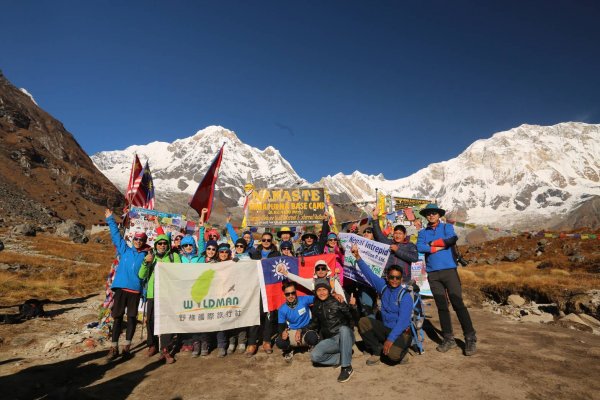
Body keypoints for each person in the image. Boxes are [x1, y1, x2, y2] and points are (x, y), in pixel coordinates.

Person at [416, 203, 476, 356]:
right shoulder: (422, 232)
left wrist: (432, 244)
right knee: (442, 307)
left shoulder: (446, 227)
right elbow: (420, 247)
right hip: (433, 274)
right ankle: (448, 338)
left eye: (434, 213)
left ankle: (470, 337)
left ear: (439, 215)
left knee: (458, 304)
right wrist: (437, 246)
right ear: (425, 216)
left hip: (449, 270)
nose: (431, 215)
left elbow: (452, 239)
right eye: (428, 213)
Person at [352, 245, 412, 366]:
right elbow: (369, 274)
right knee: (363, 322)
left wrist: (390, 340)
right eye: (391, 277)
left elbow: (402, 322)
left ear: (401, 279)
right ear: (387, 277)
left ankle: (403, 350)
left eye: (397, 278)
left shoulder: (405, 296)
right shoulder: (383, 286)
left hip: (399, 331)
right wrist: (358, 257)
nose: (394, 280)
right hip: (385, 327)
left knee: (393, 357)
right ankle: (377, 351)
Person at [104, 209, 149, 361]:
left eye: (141, 240)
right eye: (136, 239)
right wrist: (110, 219)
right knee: (117, 318)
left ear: (144, 242)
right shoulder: (125, 250)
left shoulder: (147, 256)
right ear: (133, 240)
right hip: (121, 289)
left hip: (135, 292)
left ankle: (127, 347)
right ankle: (114, 347)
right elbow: (116, 236)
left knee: (131, 318)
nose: (138, 242)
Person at [138, 233, 182, 364]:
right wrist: (146, 263)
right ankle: (152, 345)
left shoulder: (174, 257)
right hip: (152, 294)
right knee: (150, 321)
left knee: (166, 322)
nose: (162, 245)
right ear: (156, 245)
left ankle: (165, 349)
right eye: (160, 243)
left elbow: (180, 272)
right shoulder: (151, 257)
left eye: (164, 243)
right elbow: (141, 275)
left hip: (167, 294)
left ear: (168, 245)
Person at [307, 278, 356, 383]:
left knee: (343, 329)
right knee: (315, 356)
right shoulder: (316, 306)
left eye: (324, 289)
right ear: (316, 292)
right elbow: (314, 323)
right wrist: (302, 331)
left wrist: (353, 306)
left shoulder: (338, 301)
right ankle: (342, 357)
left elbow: (351, 317)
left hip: (345, 335)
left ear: (329, 290)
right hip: (332, 340)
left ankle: (347, 367)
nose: (322, 292)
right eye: (319, 290)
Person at [247, 232, 281, 356]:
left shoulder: (276, 254)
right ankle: (252, 343)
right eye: (264, 240)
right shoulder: (254, 253)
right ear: (261, 241)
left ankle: (266, 341)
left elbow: (280, 268)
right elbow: (245, 263)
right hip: (256, 288)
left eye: (268, 240)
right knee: (255, 314)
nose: (266, 242)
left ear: (271, 241)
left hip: (270, 287)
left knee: (269, 315)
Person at [372, 208, 419, 283]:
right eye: (395, 233)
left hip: (403, 278)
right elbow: (379, 235)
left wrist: (397, 250)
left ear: (405, 235)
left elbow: (414, 258)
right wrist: (375, 217)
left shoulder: (410, 245)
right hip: (388, 277)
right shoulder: (389, 243)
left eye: (400, 233)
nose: (397, 236)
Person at [275, 281, 314, 361]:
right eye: (287, 294)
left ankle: (311, 346)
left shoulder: (304, 300)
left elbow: (320, 297)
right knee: (279, 341)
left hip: (306, 330)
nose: (291, 296)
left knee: (313, 337)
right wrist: (283, 333)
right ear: (284, 295)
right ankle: (289, 350)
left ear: (296, 292)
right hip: (292, 332)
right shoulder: (282, 309)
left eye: (293, 293)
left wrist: (334, 294)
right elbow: (281, 327)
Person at [278, 259, 345, 302]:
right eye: (318, 269)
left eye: (323, 268)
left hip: (334, 309)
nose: (320, 270)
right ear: (315, 271)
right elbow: (299, 280)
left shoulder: (333, 281)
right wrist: (285, 273)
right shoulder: (312, 282)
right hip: (320, 309)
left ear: (327, 270)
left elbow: (342, 297)